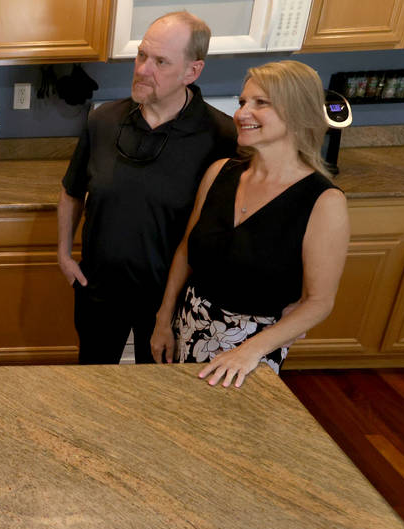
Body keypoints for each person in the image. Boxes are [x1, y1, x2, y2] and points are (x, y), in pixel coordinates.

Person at [150, 60, 350, 387]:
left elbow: (319, 301)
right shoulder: (220, 173)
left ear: (297, 113)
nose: (242, 113)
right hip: (189, 324)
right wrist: (163, 317)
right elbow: (187, 249)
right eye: (242, 102)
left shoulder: (323, 202)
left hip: (254, 347)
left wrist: (249, 352)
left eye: (261, 103)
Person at [58, 12, 238, 364]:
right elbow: (71, 191)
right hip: (99, 291)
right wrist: (64, 254)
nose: (142, 69)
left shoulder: (221, 136)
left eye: (160, 62)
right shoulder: (104, 120)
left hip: (169, 301)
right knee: (92, 386)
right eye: (141, 55)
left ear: (192, 71)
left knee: (156, 396)